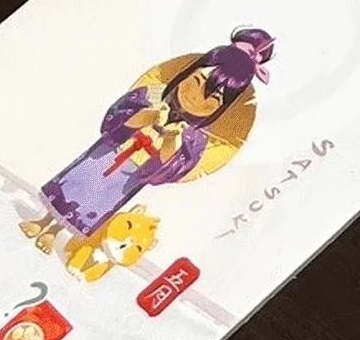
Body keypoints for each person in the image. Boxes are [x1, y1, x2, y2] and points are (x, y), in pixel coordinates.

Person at [22, 29, 273, 254]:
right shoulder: (152, 96)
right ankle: (43, 221)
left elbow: (169, 168)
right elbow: (116, 122)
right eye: (195, 82)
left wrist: (171, 140)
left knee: (93, 202)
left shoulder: (192, 137)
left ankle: (54, 233)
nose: (197, 98)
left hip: (132, 172)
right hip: (111, 151)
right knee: (75, 183)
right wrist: (147, 116)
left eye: (213, 100)